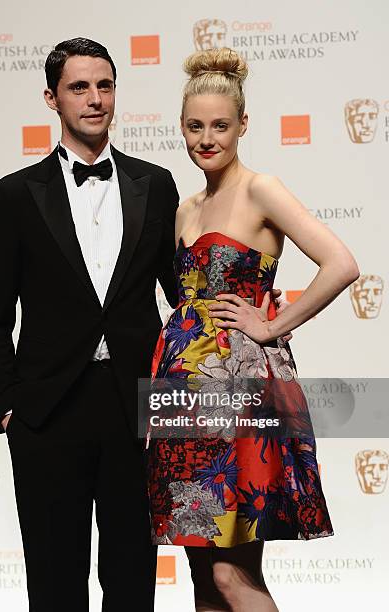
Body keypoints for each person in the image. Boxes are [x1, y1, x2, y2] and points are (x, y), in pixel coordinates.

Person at [0, 36, 289, 611]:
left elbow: (186, 296)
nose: (95, 99)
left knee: (131, 579)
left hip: (138, 410)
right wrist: (8, 405)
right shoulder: (15, 195)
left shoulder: (156, 184)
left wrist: (255, 320)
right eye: (79, 88)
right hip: (45, 414)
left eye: (105, 85)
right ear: (52, 98)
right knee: (53, 580)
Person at [147, 47, 360, 612]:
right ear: (181, 128)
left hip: (239, 394)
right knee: (200, 574)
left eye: (220, 124)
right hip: (183, 396)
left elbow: (341, 263)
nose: (206, 138)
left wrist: (272, 327)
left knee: (230, 575)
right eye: (195, 126)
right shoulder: (185, 208)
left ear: (244, 124)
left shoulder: (261, 188)